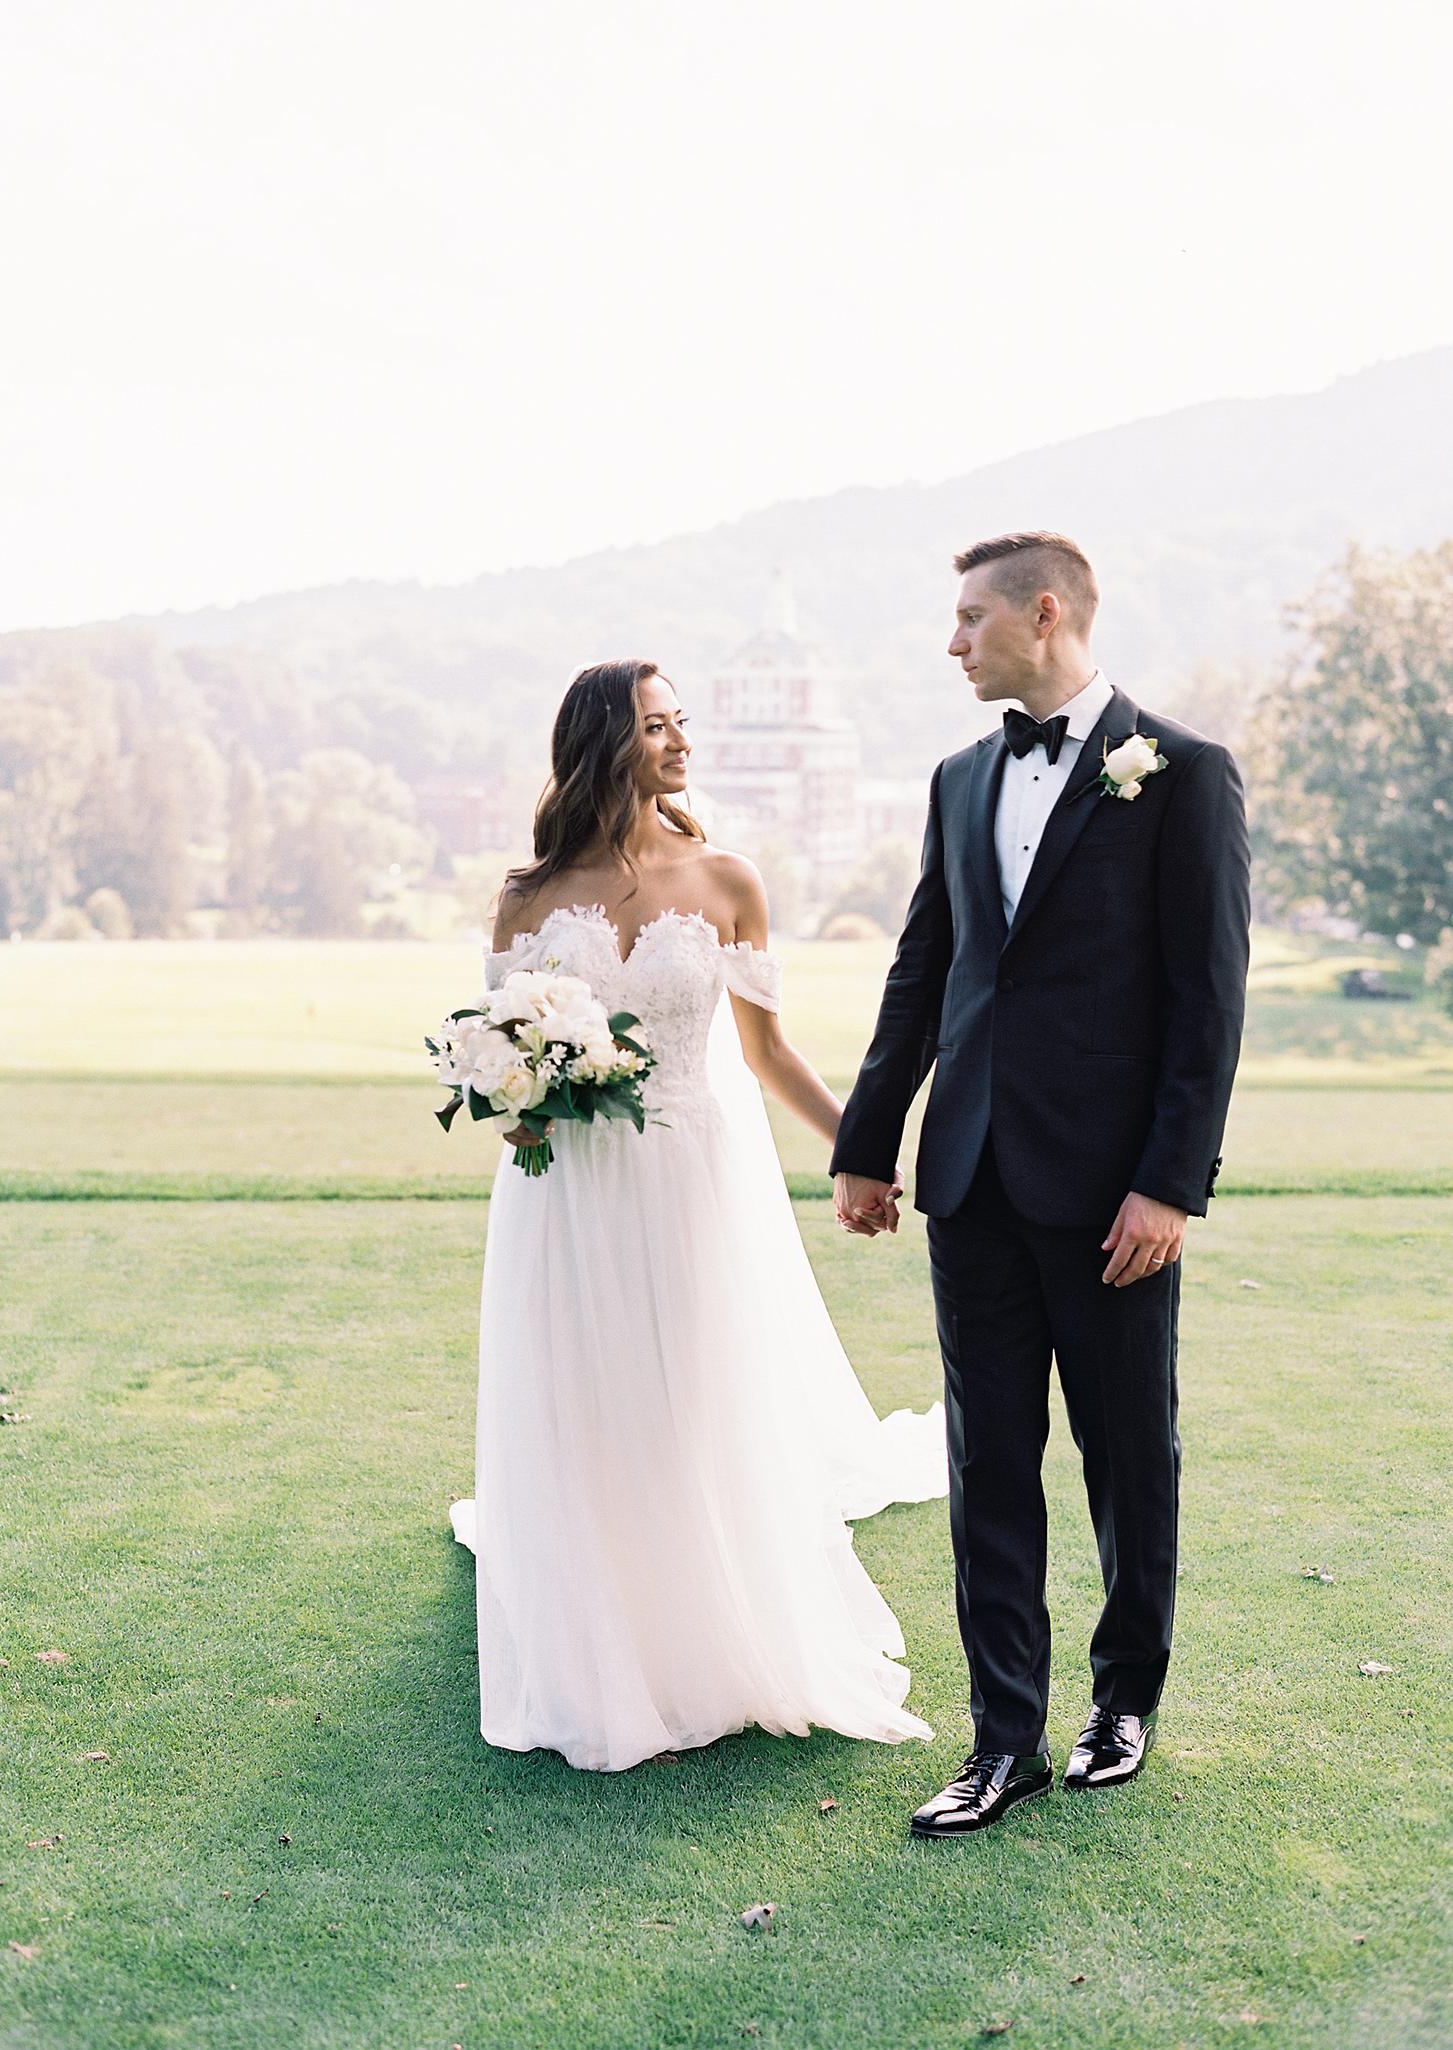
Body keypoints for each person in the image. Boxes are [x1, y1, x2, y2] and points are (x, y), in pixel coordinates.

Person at [448, 658, 947, 1773]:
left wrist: (868, 1156)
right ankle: (597, 1624)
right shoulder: (528, 896)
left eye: (682, 723)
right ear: (599, 745)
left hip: (693, 1178)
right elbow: (501, 1067)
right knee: (582, 1391)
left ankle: (704, 1624)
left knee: (693, 1391)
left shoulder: (726, 881)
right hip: (569, 1190)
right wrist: (523, 1108)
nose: (680, 742)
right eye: (656, 727)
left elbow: (770, 1054)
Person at [831, 532, 1250, 1835]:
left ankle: (1122, 1699)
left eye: (967, 618)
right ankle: (1000, 1737)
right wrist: (867, 1138)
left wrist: (1170, 1186)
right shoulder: (958, 779)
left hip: (1116, 1193)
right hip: (970, 1183)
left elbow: (1207, 1004)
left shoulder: (1181, 775)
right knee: (987, 1462)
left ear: (1044, 613)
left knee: (1128, 1454)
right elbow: (928, 969)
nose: (950, 642)